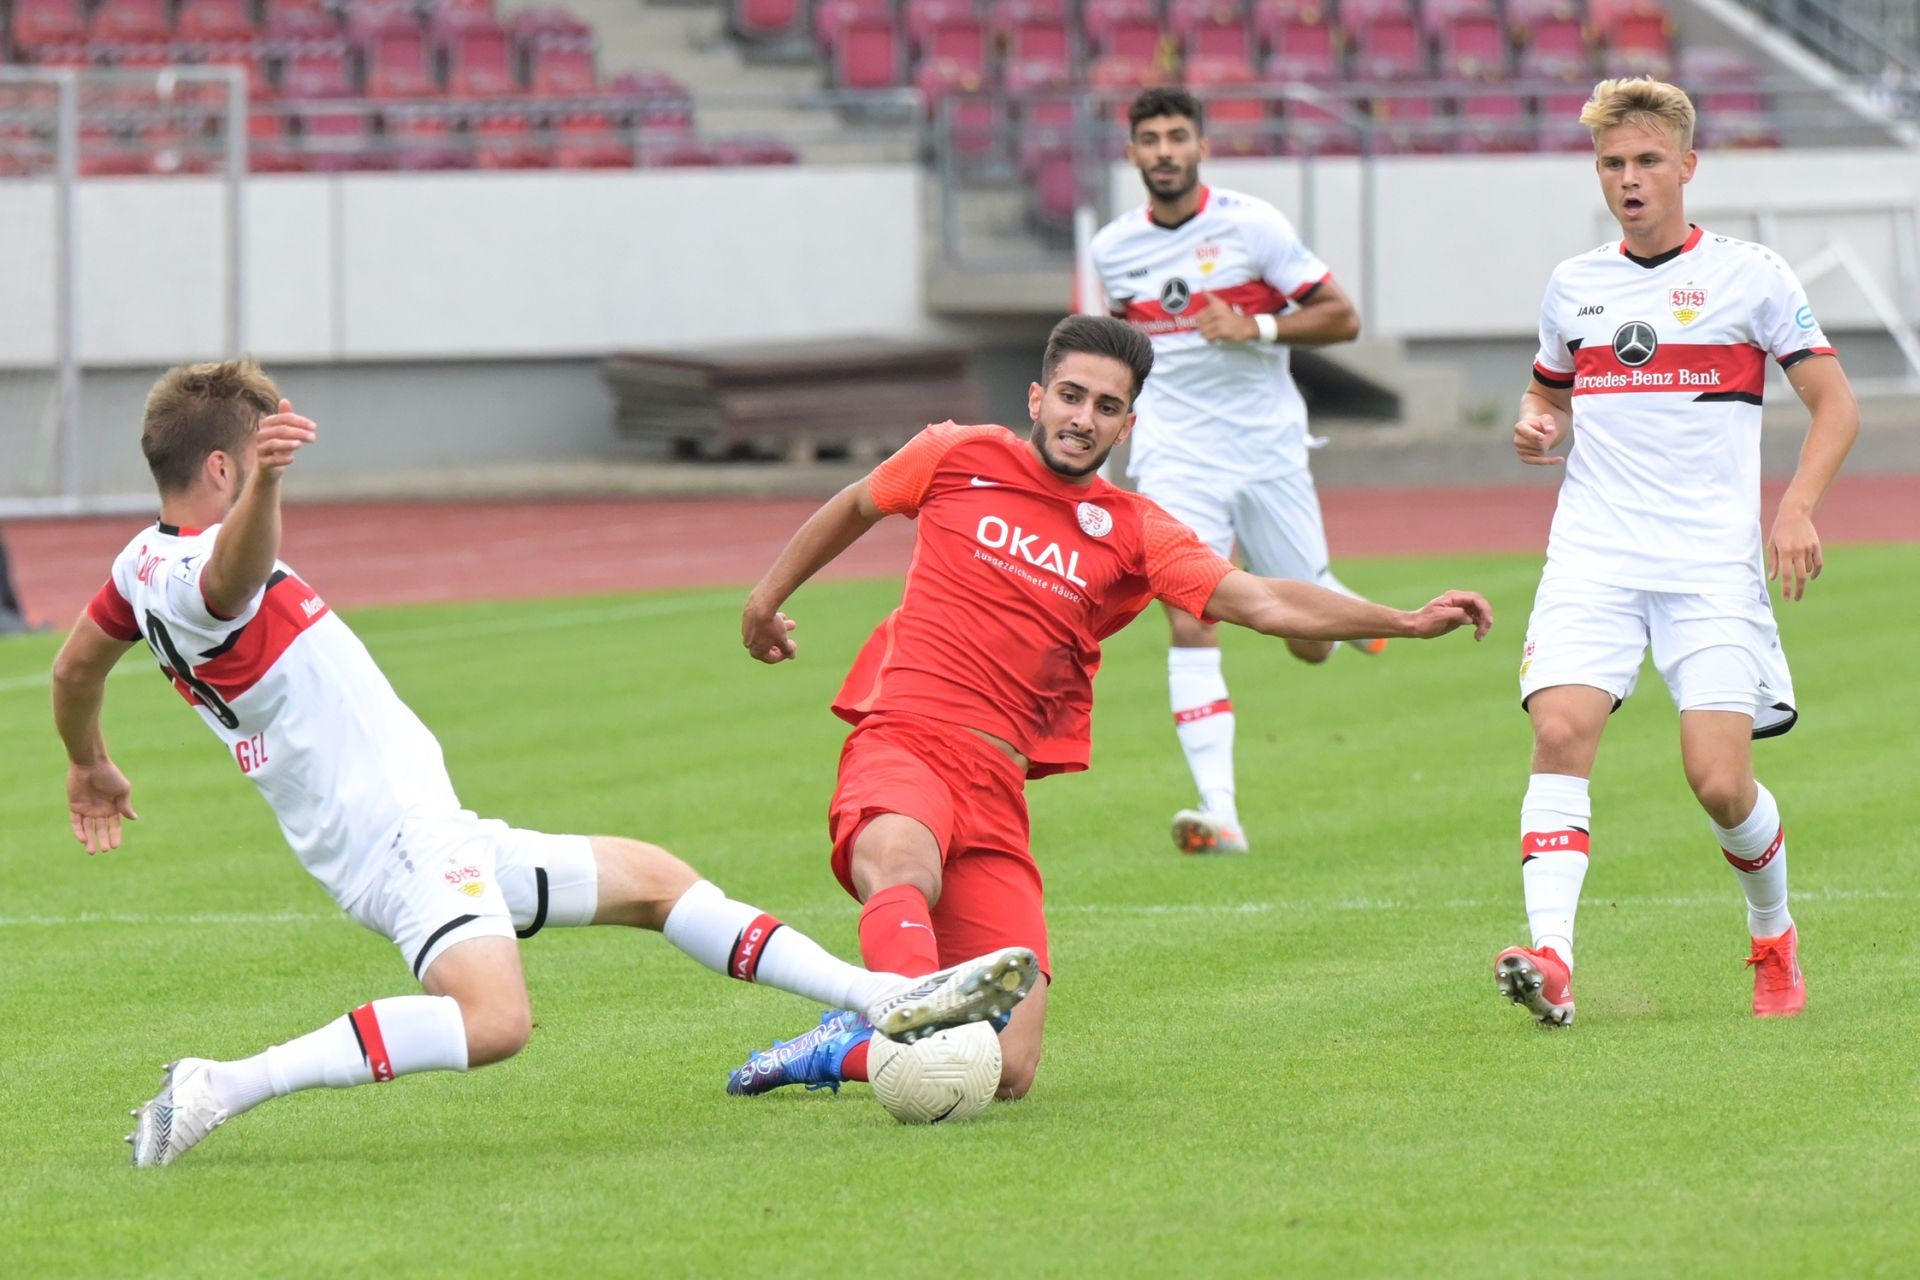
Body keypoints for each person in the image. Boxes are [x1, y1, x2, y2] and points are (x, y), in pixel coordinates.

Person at [52, 360, 1040, 1167]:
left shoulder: (139, 562)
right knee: (493, 1021)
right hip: (399, 836)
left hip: (412, 825)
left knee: (656, 881)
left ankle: (880, 996)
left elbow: (73, 665)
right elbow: (231, 578)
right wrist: (268, 487)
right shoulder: (198, 573)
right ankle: (221, 1083)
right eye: (263, 464)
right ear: (225, 468)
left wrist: (88, 761)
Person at [725, 315, 1492, 1102]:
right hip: (906, 739)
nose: (1083, 419)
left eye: (1105, 406)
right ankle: (884, 1006)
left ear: (1129, 423)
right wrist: (765, 600)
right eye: (1070, 396)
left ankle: (839, 1044)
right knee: (905, 868)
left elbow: (1260, 600)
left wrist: (1400, 620)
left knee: (1010, 1069)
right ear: (1037, 396)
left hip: (996, 788)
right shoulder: (957, 453)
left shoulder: (1136, 532)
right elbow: (857, 504)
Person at [1495, 78, 1859, 1027]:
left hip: (1709, 570)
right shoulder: (1575, 284)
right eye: (1613, 163)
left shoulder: (1753, 275)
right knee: (1561, 730)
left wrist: (1797, 509)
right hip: (1593, 556)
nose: (1630, 179)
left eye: (1648, 161)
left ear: (1687, 167)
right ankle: (1554, 962)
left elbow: (1837, 404)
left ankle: (1772, 935)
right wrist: (1536, 427)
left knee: (1719, 781)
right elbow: (1549, 398)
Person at [1088, 86, 1380, 858]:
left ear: (1201, 146)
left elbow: (1343, 317)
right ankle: (1221, 813)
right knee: (1190, 613)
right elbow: (1123, 345)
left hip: (1267, 450)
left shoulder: (1253, 226)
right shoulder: (1114, 247)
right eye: (1148, 138)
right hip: (1176, 455)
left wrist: (1254, 324)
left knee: (1307, 640)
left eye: (1176, 136)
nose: (1163, 151)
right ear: (1133, 153)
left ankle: (1337, 608)